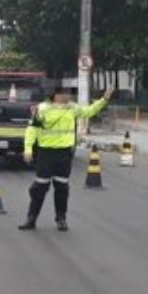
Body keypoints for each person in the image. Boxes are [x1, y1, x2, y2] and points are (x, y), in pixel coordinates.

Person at [19, 84, 115, 232]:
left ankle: (61, 219)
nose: (69, 96)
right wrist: (28, 149)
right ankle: (31, 219)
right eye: (67, 93)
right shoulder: (42, 108)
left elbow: (89, 111)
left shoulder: (72, 108)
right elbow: (32, 130)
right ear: (56, 94)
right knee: (40, 187)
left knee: (62, 188)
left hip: (64, 153)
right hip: (45, 153)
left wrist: (104, 98)